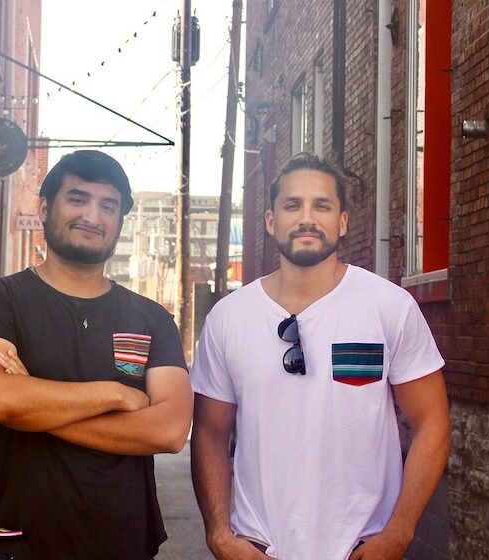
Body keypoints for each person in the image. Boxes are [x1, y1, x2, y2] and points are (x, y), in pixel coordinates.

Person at [190, 153, 450, 560]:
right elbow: (209, 432)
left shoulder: (388, 307)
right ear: (270, 221)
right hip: (260, 547)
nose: (307, 218)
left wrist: (399, 532)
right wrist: (220, 534)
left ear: (343, 221)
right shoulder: (229, 317)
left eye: (322, 206)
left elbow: (432, 422)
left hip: (362, 548)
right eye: (292, 205)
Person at [0, 150, 193, 560]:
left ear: (119, 221)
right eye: (77, 199)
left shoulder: (151, 318)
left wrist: (35, 403)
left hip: (123, 544)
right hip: (14, 543)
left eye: (108, 206)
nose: (92, 217)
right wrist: (116, 395)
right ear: (45, 208)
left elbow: (169, 431)